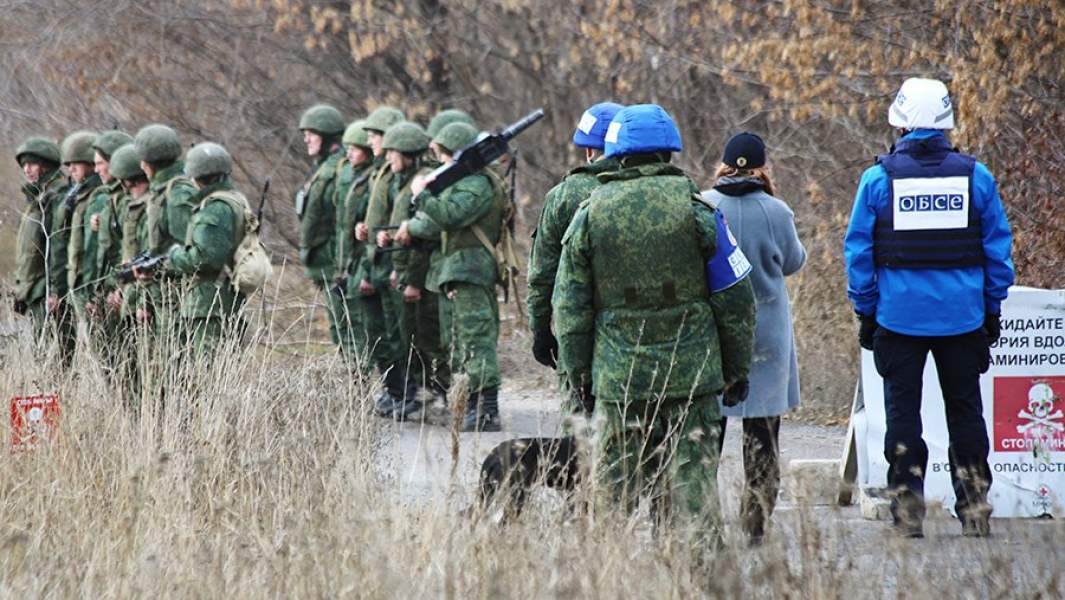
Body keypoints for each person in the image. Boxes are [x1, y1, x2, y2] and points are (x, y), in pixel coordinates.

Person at [554, 104, 756, 543]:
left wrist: (578, 377)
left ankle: (608, 581)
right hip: (693, 377)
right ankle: (707, 583)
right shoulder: (700, 213)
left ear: (614, 154)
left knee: (613, 494)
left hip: (619, 377)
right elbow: (736, 299)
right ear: (668, 153)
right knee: (696, 492)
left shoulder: (588, 215)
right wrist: (736, 369)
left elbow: (569, 309)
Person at [844, 77, 1014, 538]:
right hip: (962, 319)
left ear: (898, 124)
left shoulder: (878, 179)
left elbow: (858, 251)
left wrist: (867, 311)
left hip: (899, 320)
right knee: (965, 414)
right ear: (946, 124)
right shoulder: (976, 177)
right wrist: (992, 308)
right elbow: (997, 250)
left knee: (903, 415)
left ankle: (907, 514)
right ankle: (975, 510)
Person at [702, 132, 806, 545]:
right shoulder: (777, 211)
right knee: (762, 436)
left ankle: (703, 517)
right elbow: (794, 261)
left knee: (707, 433)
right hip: (766, 336)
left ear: (723, 165)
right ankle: (755, 524)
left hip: (716, 334)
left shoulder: (705, 204)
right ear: (763, 166)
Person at [407, 122, 509, 431]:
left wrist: (421, 196)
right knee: (464, 340)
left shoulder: (476, 184)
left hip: (472, 269)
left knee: (477, 340)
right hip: (462, 270)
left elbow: (451, 215)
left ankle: (487, 411)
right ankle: (473, 406)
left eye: (443, 155)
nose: (440, 162)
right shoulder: (466, 181)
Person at [526, 101, 623, 418]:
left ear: (589, 151)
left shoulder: (564, 195)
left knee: (580, 435)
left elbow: (542, 273)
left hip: (576, 328)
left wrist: (540, 329)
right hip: (638, 332)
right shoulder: (652, 188)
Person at [374, 121, 448, 419]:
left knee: (425, 340)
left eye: (393, 152)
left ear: (408, 153)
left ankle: (435, 394)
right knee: (409, 339)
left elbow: (424, 238)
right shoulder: (404, 181)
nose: (388, 158)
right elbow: (405, 229)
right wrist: (386, 237)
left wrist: (413, 280)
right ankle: (420, 394)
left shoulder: (421, 182)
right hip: (405, 271)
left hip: (421, 274)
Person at [165, 142, 251, 356]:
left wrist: (174, 256)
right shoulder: (234, 199)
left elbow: (205, 258)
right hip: (220, 301)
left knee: (206, 371)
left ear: (196, 177)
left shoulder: (214, 209)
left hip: (209, 304)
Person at [356, 106, 408, 413]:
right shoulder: (382, 172)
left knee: (399, 335)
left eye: (376, 136)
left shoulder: (395, 176)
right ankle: (396, 389)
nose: (371, 142)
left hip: (392, 264)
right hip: (376, 261)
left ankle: (409, 391)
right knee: (384, 334)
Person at [68, 130, 132, 358]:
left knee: (121, 365)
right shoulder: (108, 200)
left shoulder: (124, 201)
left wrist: (118, 290)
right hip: (105, 295)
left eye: (101, 163)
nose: (96, 169)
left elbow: (126, 252)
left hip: (118, 297)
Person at [132, 124, 197, 337]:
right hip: (163, 296)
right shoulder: (161, 191)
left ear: (150, 163)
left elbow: (190, 255)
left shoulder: (177, 194)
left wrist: (158, 268)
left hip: (177, 300)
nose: (141, 166)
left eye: (143, 160)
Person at [295, 104, 348, 355]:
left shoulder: (338, 171)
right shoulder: (324, 168)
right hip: (329, 268)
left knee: (348, 333)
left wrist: (341, 266)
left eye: (311, 133)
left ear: (327, 137)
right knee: (340, 331)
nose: (306, 138)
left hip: (339, 269)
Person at [49, 130, 101, 363]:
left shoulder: (97, 195)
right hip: (76, 283)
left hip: (90, 286)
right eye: (68, 164)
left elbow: (96, 249)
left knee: (107, 354)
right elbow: (61, 242)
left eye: (76, 162)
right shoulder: (74, 196)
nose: (71, 168)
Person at [13, 136, 67, 347]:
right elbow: (27, 252)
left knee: (55, 354)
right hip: (35, 291)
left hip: (47, 292)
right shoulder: (36, 200)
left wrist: (55, 291)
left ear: (46, 166)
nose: (27, 169)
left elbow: (58, 247)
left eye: (32, 164)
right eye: (24, 164)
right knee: (42, 352)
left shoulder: (55, 197)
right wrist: (21, 290)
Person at [332, 119, 376, 373]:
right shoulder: (351, 178)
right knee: (349, 324)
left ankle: (364, 372)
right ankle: (358, 373)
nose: (348, 153)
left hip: (363, 260)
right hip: (349, 262)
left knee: (361, 324)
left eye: (355, 147)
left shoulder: (370, 182)